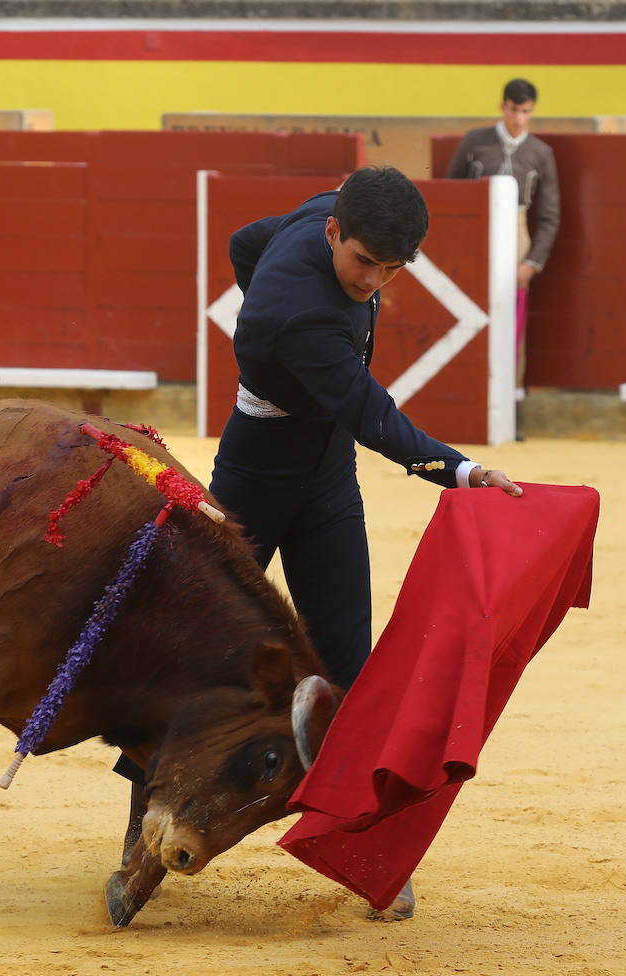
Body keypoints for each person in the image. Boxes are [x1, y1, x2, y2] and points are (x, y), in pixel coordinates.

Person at [139, 166, 521, 920]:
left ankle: (367, 850)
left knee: (351, 662)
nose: (370, 281)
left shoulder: (331, 212)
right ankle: (140, 830)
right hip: (259, 469)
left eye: (389, 270)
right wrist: (460, 471)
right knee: (204, 651)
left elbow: (244, 241)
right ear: (332, 234)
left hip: (324, 474)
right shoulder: (299, 318)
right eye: (361, 263)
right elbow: (373, 416)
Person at [446, 77, 560, 393]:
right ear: (502, 107)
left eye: (525, 111)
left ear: (532, 111)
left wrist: (532, 262)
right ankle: (465, 392)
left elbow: (550, 216)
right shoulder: (475, 142)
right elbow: (450, 195)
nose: (519, 118)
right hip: (475, 236)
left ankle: (510, 403)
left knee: (513, 324)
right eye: (514, 110)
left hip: (517, 237)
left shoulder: (541, 153)